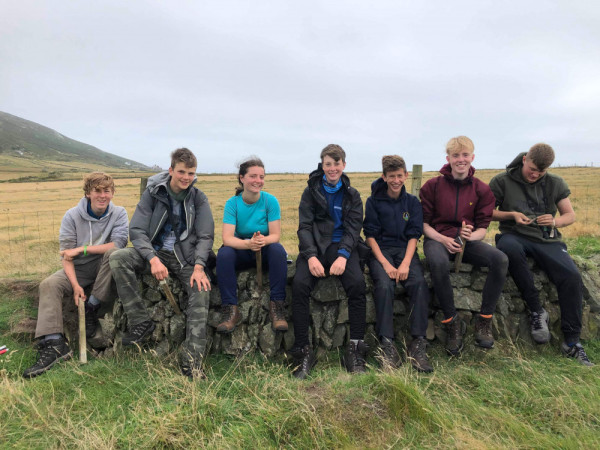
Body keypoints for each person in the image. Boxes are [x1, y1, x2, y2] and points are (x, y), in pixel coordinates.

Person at [109, 148, 215, 379]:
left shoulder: (198, 198)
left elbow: (206, 236)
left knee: (201, 288)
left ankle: (191, 361)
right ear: (171, 170)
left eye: (191, 173)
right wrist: (152, 258)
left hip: (184, 258)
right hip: (154, 253)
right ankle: (140, 322)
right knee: (117, 258)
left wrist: (199, 267)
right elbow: (136, 230)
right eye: (182, 172)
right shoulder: (153, 193)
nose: (186, 177)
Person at [490, 143, 594, 366]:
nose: (535, 175)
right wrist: (512, 215)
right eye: (532, 169)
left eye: (541, 172)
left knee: (572, 277)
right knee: (508, 249)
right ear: (525, 159)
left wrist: (555, 221)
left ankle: (572, 342)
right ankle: (537, 311)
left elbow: (570, 215)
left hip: (547, 240)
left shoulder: (555, 182)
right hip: (514, 235)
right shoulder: (502, 181)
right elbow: (487, 212)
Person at [23, 172, 129, 378]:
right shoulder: (72, 215)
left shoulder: (119, 213)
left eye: (106, 191)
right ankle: (54, 344)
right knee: (49, 284)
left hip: (103, 266)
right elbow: (66, 256)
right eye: (97, 191)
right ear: (88, 193)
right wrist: (75, 285)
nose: (102, 196)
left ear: (112, 192)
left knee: (115, 254)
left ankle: (91, 307)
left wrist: (83, 249)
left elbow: (118, 244)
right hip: (77, 269)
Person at [420, 136, 508, 356]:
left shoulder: (482, 190)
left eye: (465, 155)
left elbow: (482, 228)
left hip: (468, 242)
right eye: (456, 155)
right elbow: (424, 224)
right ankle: (452, 323)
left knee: (500, 259)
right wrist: (443, 239)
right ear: (448, 158)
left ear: (472, 157)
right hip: (437, 239)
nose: (461, 159)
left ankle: (484, 320)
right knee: (438, 262)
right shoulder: (432, 186)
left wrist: (469, 237)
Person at [290, 144, 367, 379]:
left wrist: (343, 255)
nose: (332, 168)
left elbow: (354, 229)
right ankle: (303, 351)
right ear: (322, 166)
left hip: (342, 246)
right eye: (328, 164)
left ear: (344, 165)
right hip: (315, 247)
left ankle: (355, 349)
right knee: (300, 285)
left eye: (337, 163)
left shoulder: (352, 195)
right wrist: (311, 255)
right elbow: (304, 227)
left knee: (357, 284)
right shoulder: (310, 192)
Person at [364, 155, 433, 372]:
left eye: (399, 176)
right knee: (384, 286)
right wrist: (385, 264)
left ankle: (418, 344)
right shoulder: (373, 201)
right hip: (381, 251)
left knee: (418, 283)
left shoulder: (412, 202)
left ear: (406, 175)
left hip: (405, 251)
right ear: (384, 177)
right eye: (391, 176)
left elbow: (414, 235)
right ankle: (387, 344)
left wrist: (404, 264)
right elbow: (370, 236)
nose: (396, 180)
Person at [216, 157, 288, 333]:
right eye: (253, 176)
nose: (258, 181)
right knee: (224, 254)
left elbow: (275, 235)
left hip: (264, 249)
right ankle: (230, 310)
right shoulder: (232, 204)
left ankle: (277, 308)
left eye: (261, 177)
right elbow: (227, 238)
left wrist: (262, 241)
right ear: (242, 178)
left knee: (278, 251)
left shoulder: (270, 201)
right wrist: (248, 243)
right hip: (242, 249)